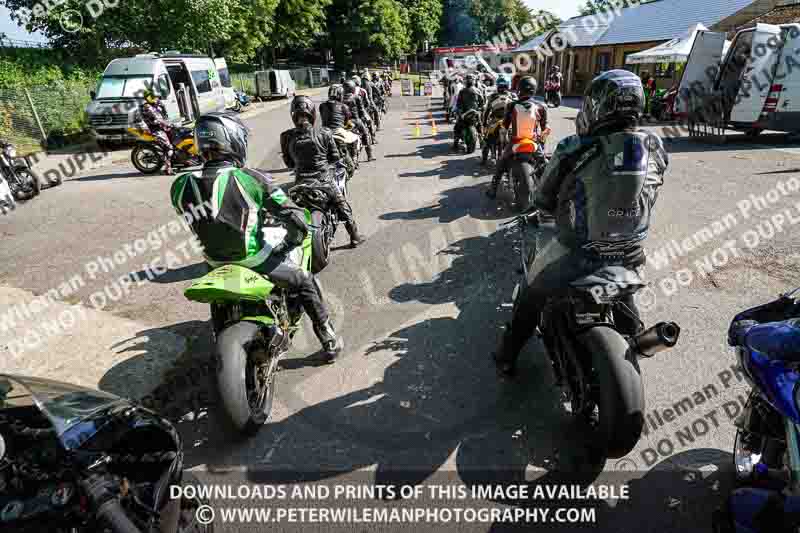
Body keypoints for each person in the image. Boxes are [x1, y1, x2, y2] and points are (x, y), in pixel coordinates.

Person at [492, 70, 669, 377]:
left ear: (596, 107)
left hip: (577, 252)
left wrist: (549, 205)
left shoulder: (575, 146)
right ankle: (633, 338)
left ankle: (507, 355)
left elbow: (543, 197)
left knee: (531, 293)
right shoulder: (655, 145)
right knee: (625, 294)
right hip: (630, 251)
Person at [170, 112, 344, 361]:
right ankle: (327, 337)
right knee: (305, 279)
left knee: (218, 299)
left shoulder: (179, 185)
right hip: (254, 259)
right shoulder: (250, 178)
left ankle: (221, 334)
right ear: (233, 141)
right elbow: (294, 218)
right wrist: (291, 240)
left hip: (213, 263)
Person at [280, 96, 366, 248]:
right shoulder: (325, 132)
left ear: (293, 114)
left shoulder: (286, 136)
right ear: (313, 113)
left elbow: (288, 163)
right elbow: (334, 157)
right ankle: (354, 235)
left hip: (300, 182)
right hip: (323, 180)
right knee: (342, 205)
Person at [486, 76, 548, 198]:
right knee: (544, 166)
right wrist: (541, 143)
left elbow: (504, 127)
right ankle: (548, 192)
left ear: (519, 89)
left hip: (515, 142)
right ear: (534, 90)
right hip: (533, 143)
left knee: (501, 163)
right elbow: (545, 129)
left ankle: (493, 190)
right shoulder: (541, 107)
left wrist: (503, 141)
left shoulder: (512, 106)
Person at [320, 84, 359, 175]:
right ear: (340, 94)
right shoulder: (343, 106)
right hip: (338, 132)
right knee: (355, 139)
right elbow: (347, 122)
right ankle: (353, 160)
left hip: (324, 133)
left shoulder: (322, 106)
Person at [141, 88, 175, 175]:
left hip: (163, 127)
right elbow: (158, 119)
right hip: (155, 130)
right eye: (154, 96)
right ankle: (168, 169)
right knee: (168, 147)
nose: (156, 98)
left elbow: (165, 116)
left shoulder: (157, 105)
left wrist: (162, 106)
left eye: (156, 96)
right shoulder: (147, 107)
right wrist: (167, 124)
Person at [343, 80, 376, 161]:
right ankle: (370, 155)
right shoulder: (356, 97)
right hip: (355, 121)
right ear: (353, 88)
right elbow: (361, 110)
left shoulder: (341, 98)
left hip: (345, 122)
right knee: (365, 134)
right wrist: (367, 119)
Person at [452, 74, 485, 151]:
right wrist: (480, 109)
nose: (469, 81)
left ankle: (456, 143)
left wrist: (459, 111)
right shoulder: (477, 90)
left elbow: (458, 103)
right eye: (469, 79)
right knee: (480, 126)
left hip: (468, 113)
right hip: (473, 113)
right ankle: (481, 141)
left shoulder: (463, 91)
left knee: (458, 127)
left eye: (470, 79)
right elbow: (483, 102)